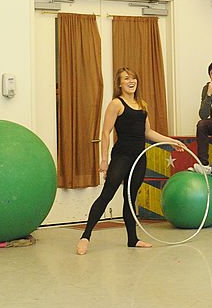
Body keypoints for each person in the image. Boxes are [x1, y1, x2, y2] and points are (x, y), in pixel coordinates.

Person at [77, 67, 189, 255]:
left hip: (139, 157)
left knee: (130, 199)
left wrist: (171, 141)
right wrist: (104, 160)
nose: (131, 81)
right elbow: (105, 132)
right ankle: (85, 237)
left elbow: (148, 132)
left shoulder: (142, 104)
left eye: (133, 78)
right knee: (107, 195)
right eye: (126, 78)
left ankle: (132, 240)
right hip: (122, 156)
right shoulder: (116, 104)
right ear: (119, 83)